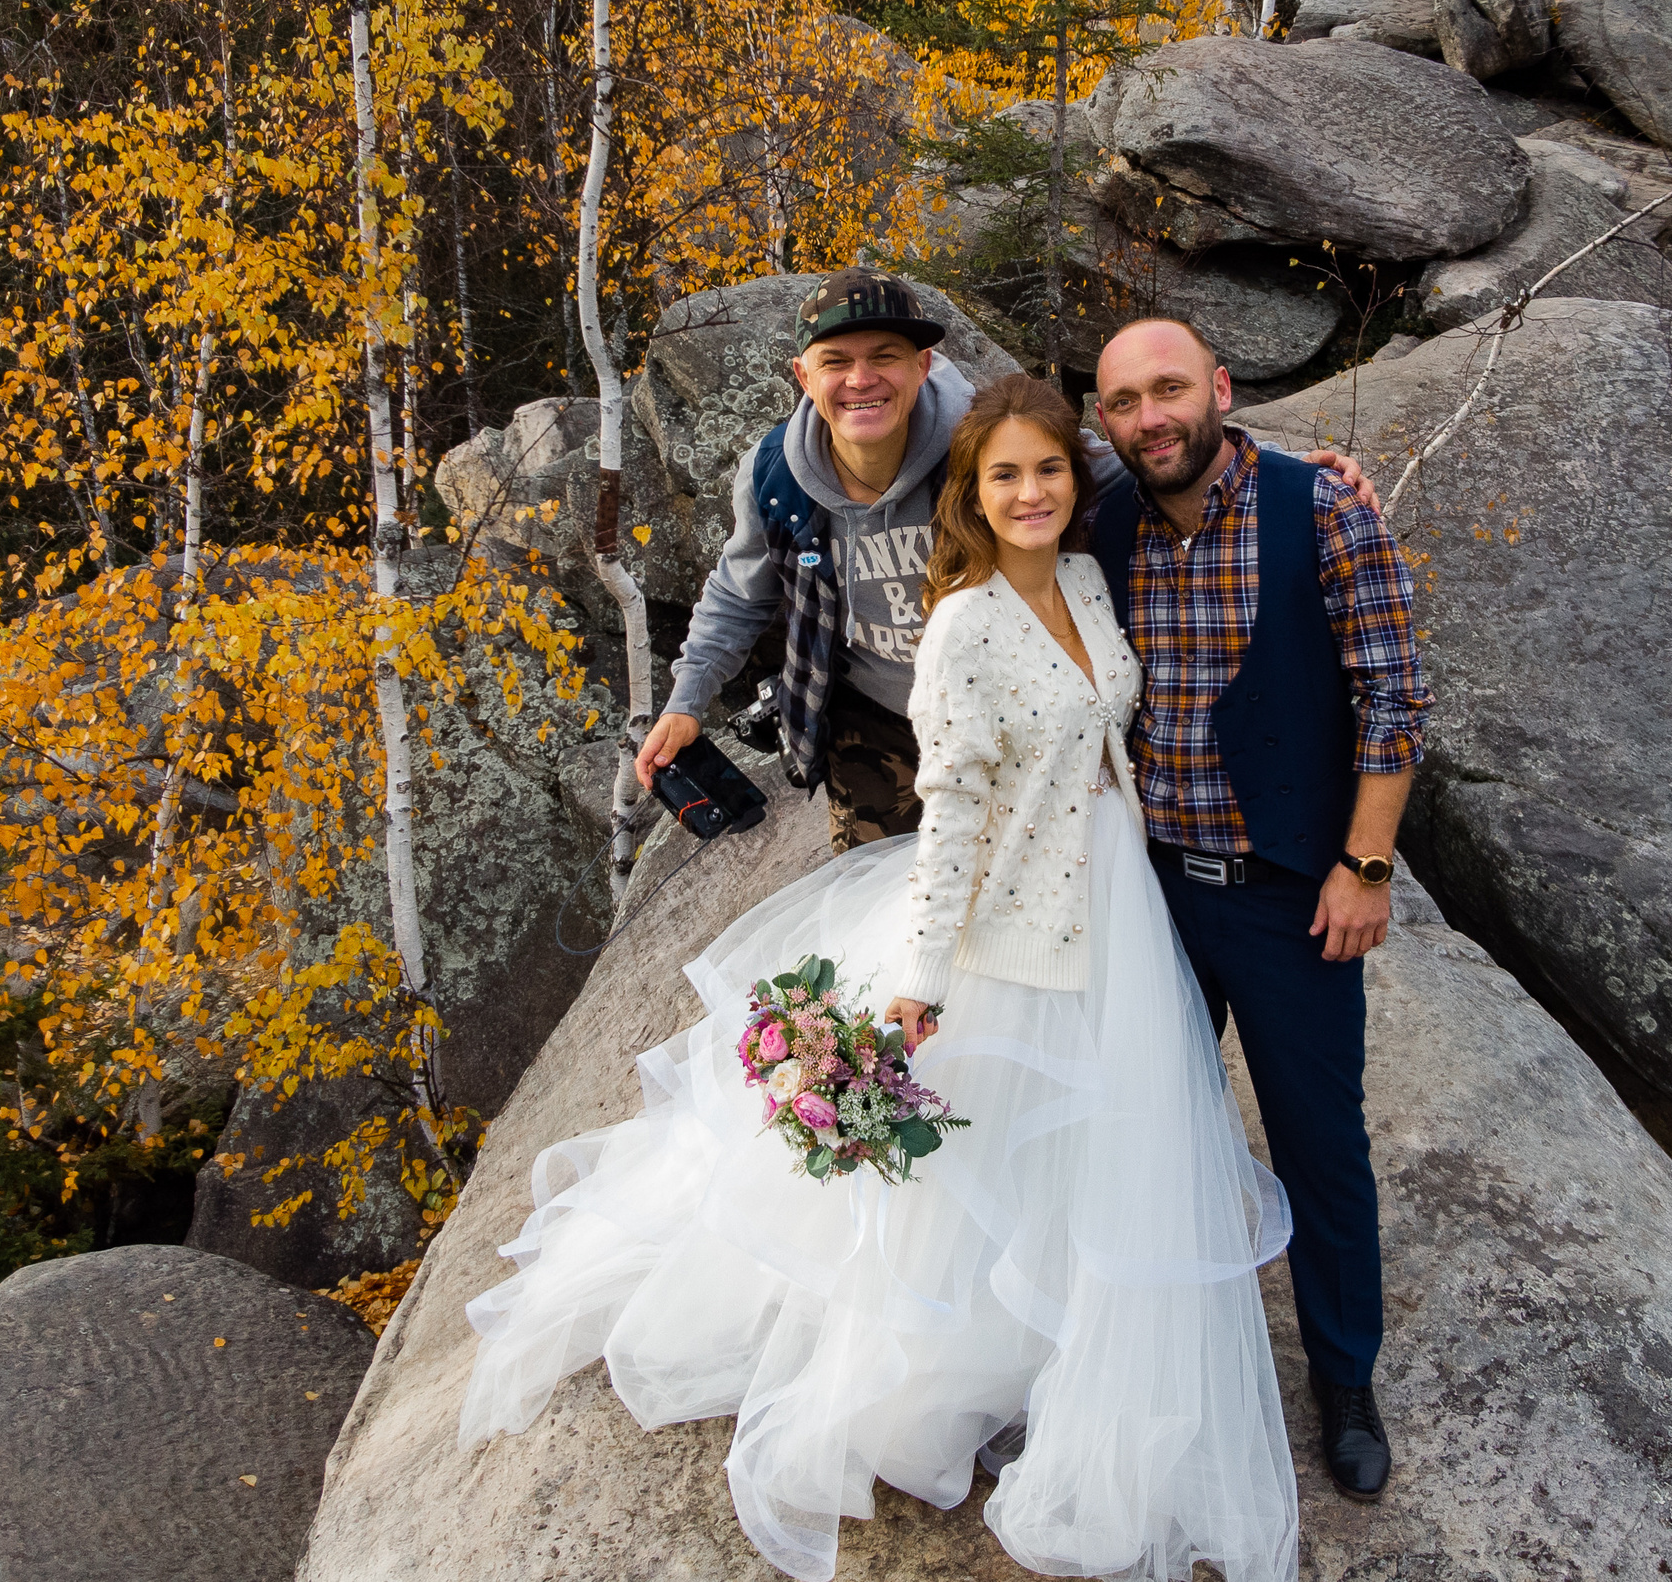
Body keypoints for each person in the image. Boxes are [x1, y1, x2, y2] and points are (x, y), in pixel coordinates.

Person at [461, 373, 1301, 1582]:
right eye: (1002, 474)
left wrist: (1302, 469)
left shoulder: (1081, 575)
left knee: (1100, 1142)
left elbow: (1183, 485)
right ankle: (944, 1361)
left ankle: (1069, 1338)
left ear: (1077, 480)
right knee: (987, 1149)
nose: (1029, 492)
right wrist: (920, 977)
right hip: (1005, 908)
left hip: (1114, 892)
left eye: (1048, 471)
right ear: (970, 490)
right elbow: (950, 807)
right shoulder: (961, 624)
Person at [634, 266, 1375, 853]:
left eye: (885, 357)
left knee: (1019, 903)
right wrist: (686, 701)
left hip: (1006, 710)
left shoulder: (985, 439)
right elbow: (739, 594)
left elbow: (1113, 465)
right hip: (877, 720)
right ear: (804, 376)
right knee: (895, 917)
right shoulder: (777, 476)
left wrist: (1274, 469)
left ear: (924, 363)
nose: (861, 379)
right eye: (837, 361)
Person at [1087, 316, 1432, 1504]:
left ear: (1219, 389)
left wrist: (1367, 866)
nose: (1151, 417)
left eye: (1170, 390)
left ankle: (1343, 1377)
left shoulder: (1320, 507)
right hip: (1150, 896)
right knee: (1145, 1136)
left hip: (1291, 894)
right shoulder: (1105, 517)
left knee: (1319, 1146)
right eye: (1124, 401)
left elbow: (1393, 694)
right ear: (1105, 421)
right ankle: (1155, 1358)